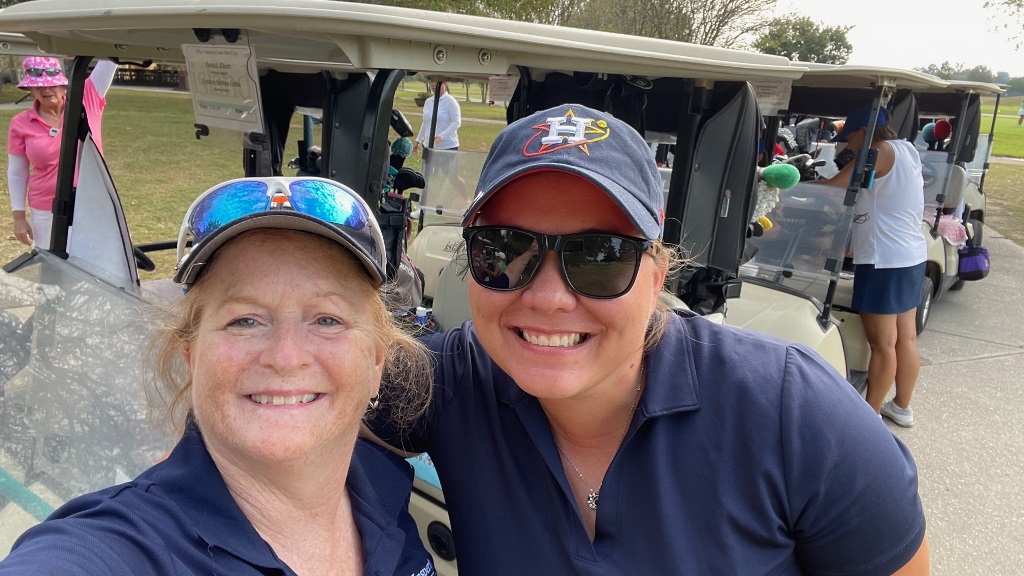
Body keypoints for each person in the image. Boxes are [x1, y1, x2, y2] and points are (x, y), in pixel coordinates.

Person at [367, 104, 930, 574]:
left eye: (600, 257)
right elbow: (306, 408)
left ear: (657, 276)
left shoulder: (792, 412)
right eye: (504, 250)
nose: (547, 297)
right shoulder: (445, 380)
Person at [0, 176, 437, 576]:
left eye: (327, 319)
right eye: (244, 320)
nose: (285, 357)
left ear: (377, 363)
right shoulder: (123, 548)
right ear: (192, 355)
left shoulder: (384, 487)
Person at [823, 103, 928, 428]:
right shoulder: (906, 149)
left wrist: (792, 188)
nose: (848, 146)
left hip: (884, 259)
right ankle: (902, 407)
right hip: (910, 255)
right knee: (905, 338)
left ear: (864, 132)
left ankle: (869, 418)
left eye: (851, 138)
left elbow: (838, 187)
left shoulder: (878, 151)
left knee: (882, 344)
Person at [7, 56, 117, 249]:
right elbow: (17, 172)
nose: (46, 89)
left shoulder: (87, 97)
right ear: (30, 89)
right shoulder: (20, 123)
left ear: (64, 85)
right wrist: (19, 216)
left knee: (94, 259)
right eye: (38, 86)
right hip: (46, 209)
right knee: (53, 265)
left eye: (53, 84)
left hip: (91, 201)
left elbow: (110, 59)